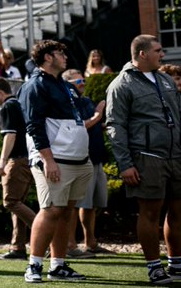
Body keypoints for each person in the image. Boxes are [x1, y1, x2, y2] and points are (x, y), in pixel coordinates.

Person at [105, 34, 180, 285]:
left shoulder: (165, 79)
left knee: (178, 211)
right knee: (150, 213)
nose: (163, 55)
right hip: (146, 158)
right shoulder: (121, 84)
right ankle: (154, 267)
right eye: (158, 50)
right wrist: (125, 165)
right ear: (142, 54)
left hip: (176, 156)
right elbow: (115, 126)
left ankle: (176, 263)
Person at [18, 39, 91, 283]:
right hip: (54, 160)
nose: (65, 56)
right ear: (48, 57)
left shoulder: (64, 85)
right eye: (60, 52)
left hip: (77, 159)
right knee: (51, 210)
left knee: (66, 212)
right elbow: (34, 126)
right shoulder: (34, 85)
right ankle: (34, 265)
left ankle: (58, 266)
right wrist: (47, 159)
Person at [0, 77, 37, 261]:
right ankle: (18, 247)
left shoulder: (8, 106)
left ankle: (46, 235)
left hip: (17, 160)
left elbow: (10, 135)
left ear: (0, 92)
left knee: (11, 202)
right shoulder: (19, 103)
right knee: (18, 203)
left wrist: (2, 161)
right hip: (27, 159)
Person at [61, 69, 108, 260]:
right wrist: (97, 116)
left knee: (92, 204)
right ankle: (70, 245)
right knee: (76, 204)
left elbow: (94, 124)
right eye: (78, 81)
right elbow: (79, 126)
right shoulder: (68, 102)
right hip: (81, 159)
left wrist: (103, 124)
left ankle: (91, 243)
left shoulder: (86, 101)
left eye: (83, 80)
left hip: (96, 158)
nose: (83, 84)